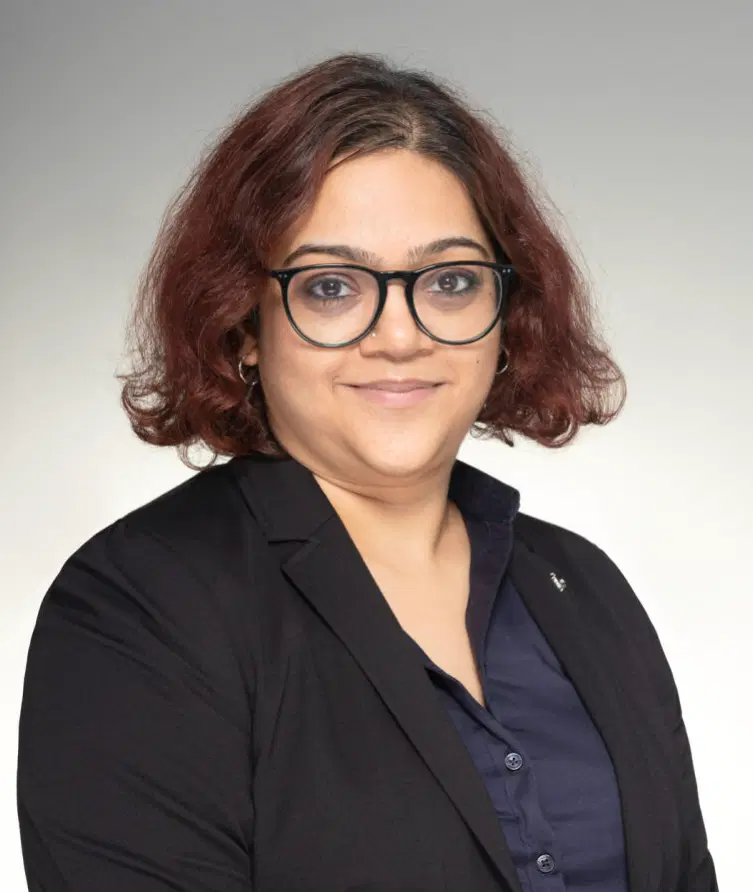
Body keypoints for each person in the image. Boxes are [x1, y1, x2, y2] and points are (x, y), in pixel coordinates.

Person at [16, 52, 718, 892]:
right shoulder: (140, 605)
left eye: (450, 281)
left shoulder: (581, 587)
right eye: (330, 287)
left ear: (507, 312)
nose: (399, 336)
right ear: (242, 323)